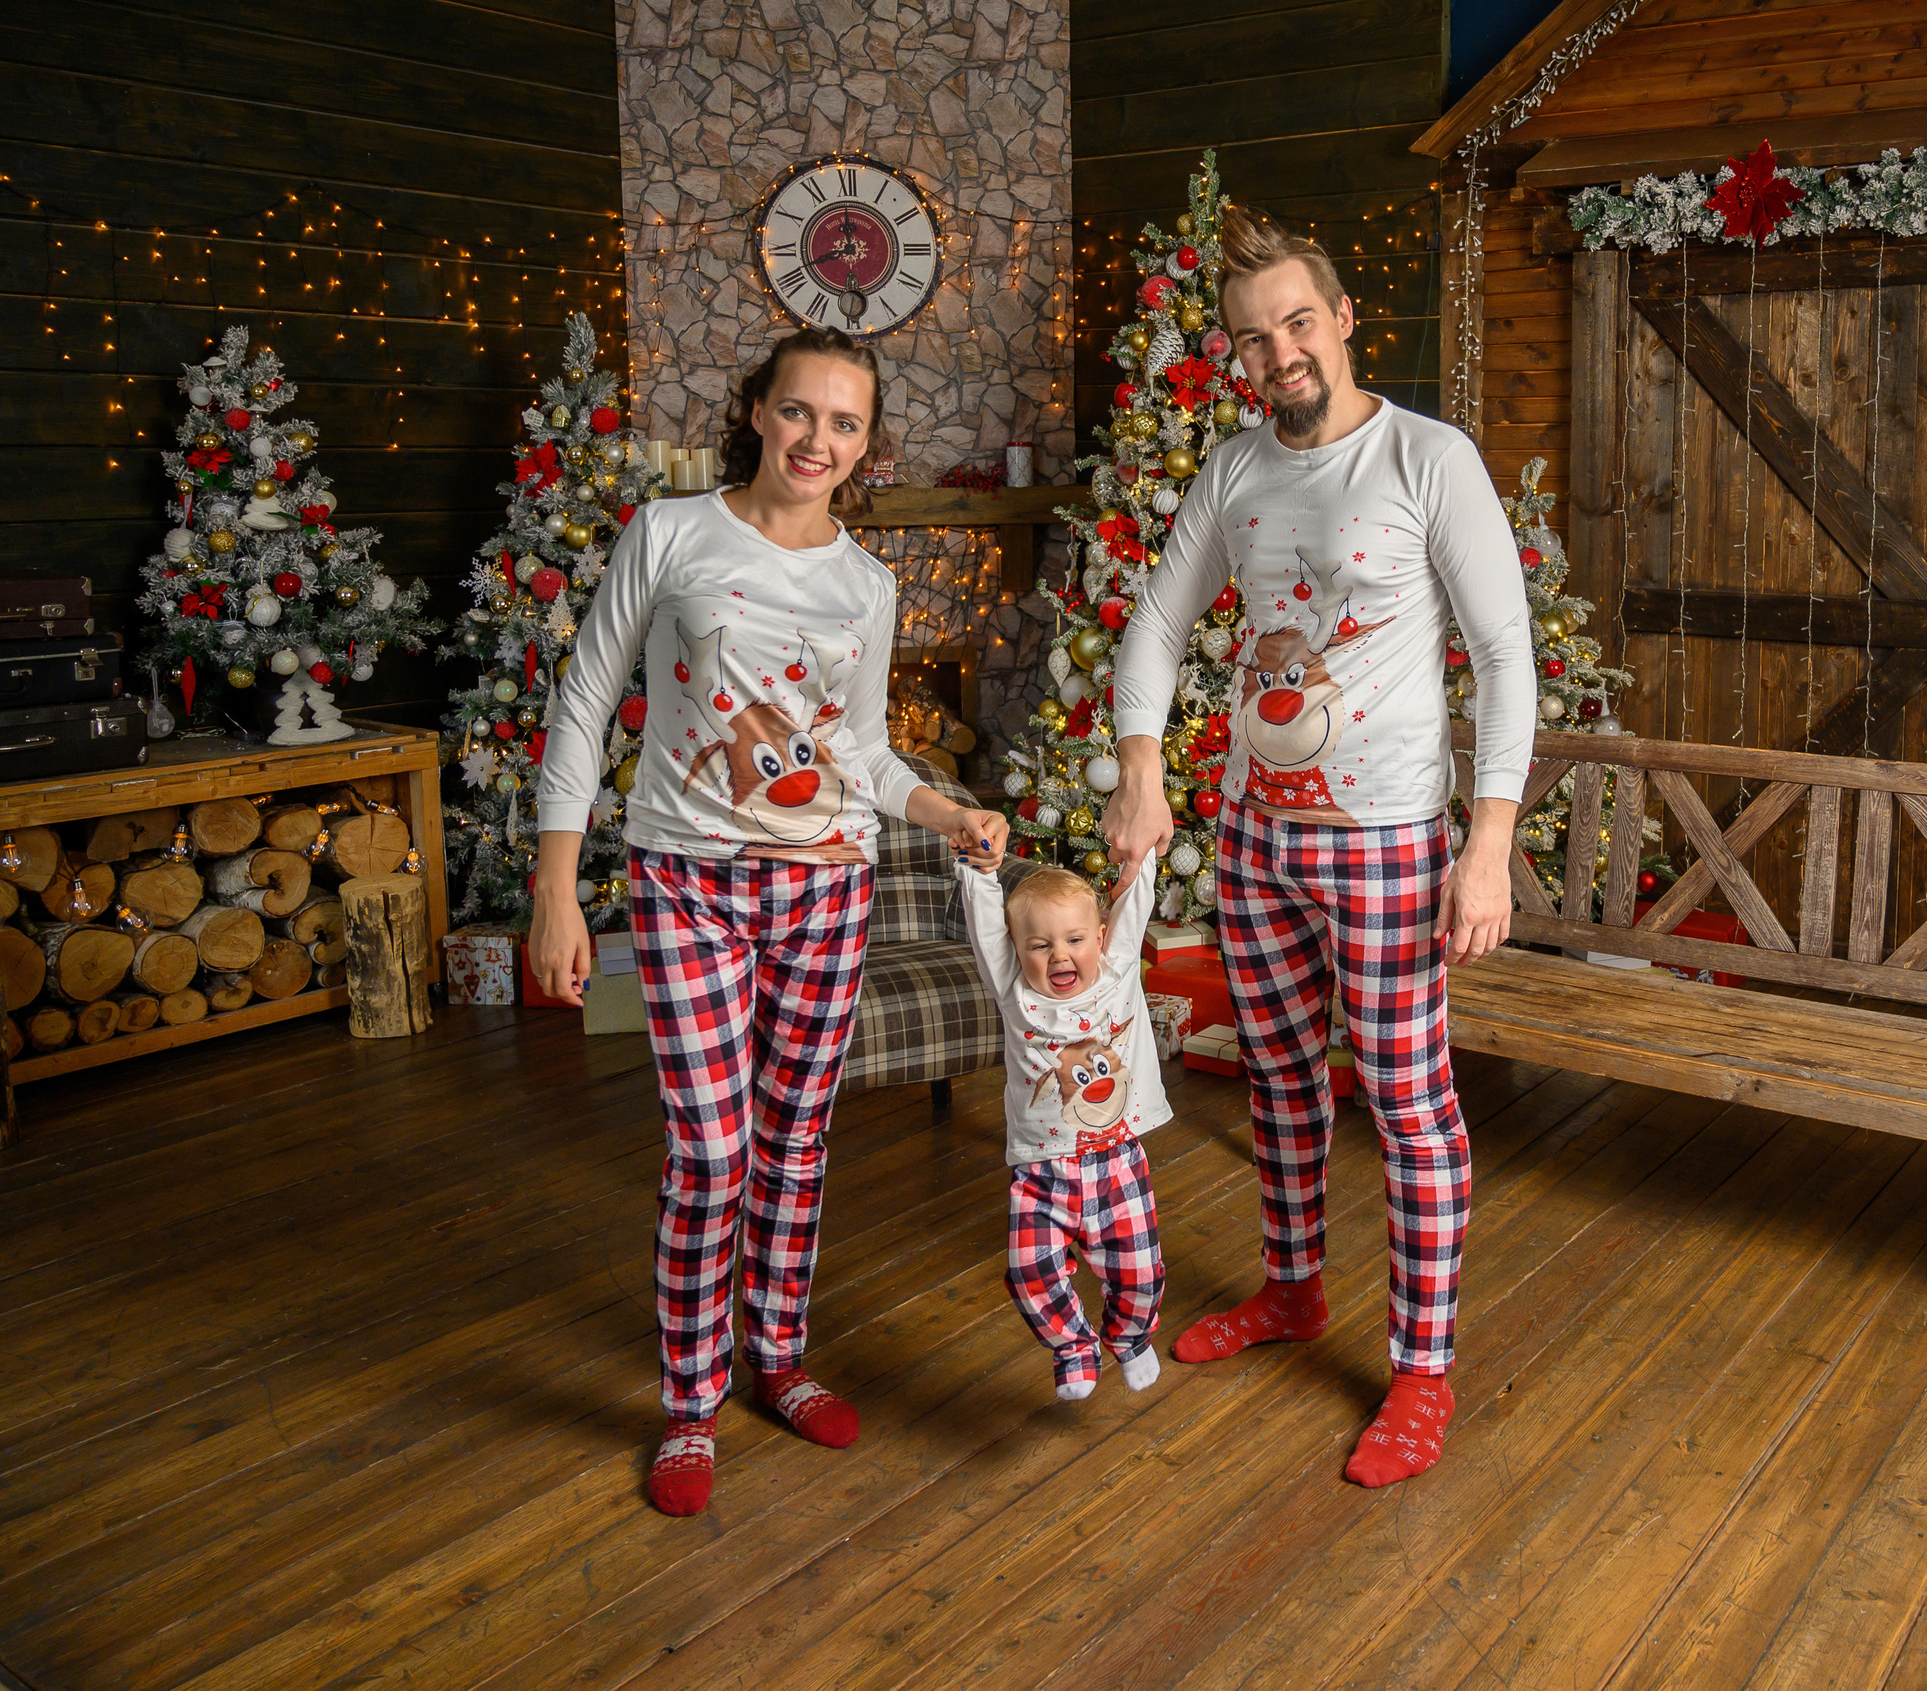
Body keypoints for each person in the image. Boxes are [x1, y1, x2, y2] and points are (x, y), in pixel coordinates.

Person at [528, 328, 1006, 1517]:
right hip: (686, 881)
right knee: (711, 1151)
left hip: (825, 888)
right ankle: (690, 1406)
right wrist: (553, 887)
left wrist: (944, 812)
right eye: (799, 413)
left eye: (844, 424)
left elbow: (857, 748)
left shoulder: (863, 582)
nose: (817, 441)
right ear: (755, 411)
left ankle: (779, 1356)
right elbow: (587, 698)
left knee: (794, 1145)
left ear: (863, 443)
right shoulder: (671, 534)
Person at [1101, 208, 1534, 1487]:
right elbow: (1154, 627)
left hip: (1391, 844)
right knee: (1282, 1079)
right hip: (1257, 839)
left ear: (1343, 320)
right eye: (1251, 338)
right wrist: (1140, 769)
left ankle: (1422, 1368)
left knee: (1407, 1109)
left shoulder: (1426, 456)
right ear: (1234, 358)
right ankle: (1292, 1290)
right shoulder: (1232, 472)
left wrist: (1491, 842)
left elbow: (1505, 654)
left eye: (1297, 322)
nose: (1278, 351)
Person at [953, 847, 1169, 1401]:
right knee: (1031, 1274)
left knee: (1140, 1274)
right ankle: (1074, 1346)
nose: (1058, 956)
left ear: (1100, 938)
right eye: (1039, 945)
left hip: (1118, 1162)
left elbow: (1136, 898)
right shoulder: (1014, 994)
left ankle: (1130, 1337)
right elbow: (984, 930)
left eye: (1074, 940)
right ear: (1017, 951)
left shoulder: (1116, 973)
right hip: (1041, 1174)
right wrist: (978, 872)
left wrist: (1142, 853)